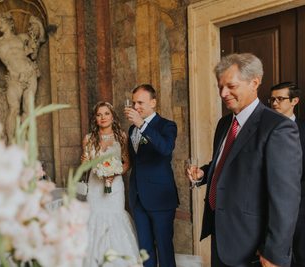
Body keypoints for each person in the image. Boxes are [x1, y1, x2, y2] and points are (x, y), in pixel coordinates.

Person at [186, 53, 302, 266]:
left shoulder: (278, 127)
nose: (223, 93)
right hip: (221, 233)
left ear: (254, 82)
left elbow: (286, 198)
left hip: (254, 246)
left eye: (231, 86)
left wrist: (274, 252)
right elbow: (228, 164)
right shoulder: (224, 124)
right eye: (220, 86)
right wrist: (205, 173)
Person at [124, 84, 179, 267]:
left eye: (140, 102)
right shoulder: (131, 130)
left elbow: (165, 148)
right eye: (134, 103)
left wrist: (141, 124)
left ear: (153, 102)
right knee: (145, 250)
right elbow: (134, 162)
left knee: (164, 248)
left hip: (160, 199)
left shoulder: (167, 125)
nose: (136, 106)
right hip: (138, 197)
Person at [81, 101, 140, 267]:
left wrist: (114, 173)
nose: (103, 117)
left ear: (112, 116)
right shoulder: (88, 139)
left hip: (115, 188)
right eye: (99, 114)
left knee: (115, 220)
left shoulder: (121, 136)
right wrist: (85, 162)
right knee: (95, 219)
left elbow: (127, 163)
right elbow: (86, 165)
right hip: (95, 187)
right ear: (95, 118)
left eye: (106, 113)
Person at [0, 12, 45, 142]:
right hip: (14, 77)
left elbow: (37, 47)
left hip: (30, 73)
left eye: (2, 22)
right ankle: (11, 142)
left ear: (10, 23)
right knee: (13, 109)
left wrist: (39, 26)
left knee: (28, 109)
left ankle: (24, 141)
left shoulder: (22, 37)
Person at [269, 82, 305, 267]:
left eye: (280, 99)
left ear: (294, 101)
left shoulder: (304, 131)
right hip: (269, 212)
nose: (274, 103)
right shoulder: (264, 130)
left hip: (300, 212)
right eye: (272, 99)